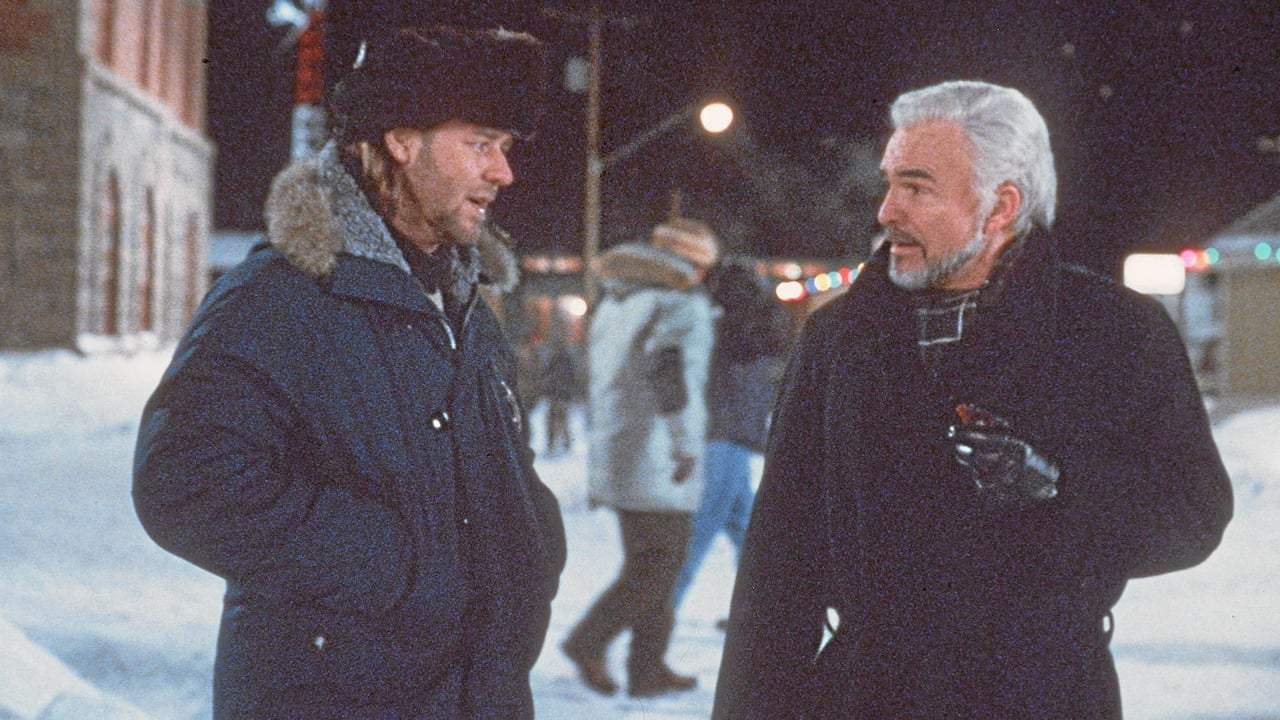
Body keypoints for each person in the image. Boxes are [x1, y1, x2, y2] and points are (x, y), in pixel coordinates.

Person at [713, 80, 1233, 719]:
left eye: (917, 188)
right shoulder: (839, 338)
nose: (887, 210)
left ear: (1000, 206)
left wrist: (1057, 487)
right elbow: (779, 567)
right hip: (867, 697)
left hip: (1043, 698)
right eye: (889, 183)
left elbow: (1192, 517)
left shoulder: (1114, 332)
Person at [132, 26, 566, 720]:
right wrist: (396, 565)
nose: (502, 173)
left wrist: (532, 544)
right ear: (402, 140)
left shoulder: (465, 307)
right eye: (480, 145)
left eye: (505, 149)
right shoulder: (279, 297)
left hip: (474, 696)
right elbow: (184, 481)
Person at [562, 217, 719, 698]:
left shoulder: (617, 301)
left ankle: (647, 668)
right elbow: (668, 371)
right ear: (692, 262)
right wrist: (684, 443)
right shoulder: (679, 304)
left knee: (654, 564)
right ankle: (589, 642)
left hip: (620, 447)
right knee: (657, 566)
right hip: (658, 453)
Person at [671, 262, 786, 620]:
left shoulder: (721, 325)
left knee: (747, 532)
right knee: (702, 532)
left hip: (729, 438)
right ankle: (659, 614)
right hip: (726, 439)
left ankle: (760, 610)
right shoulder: (738, 330)